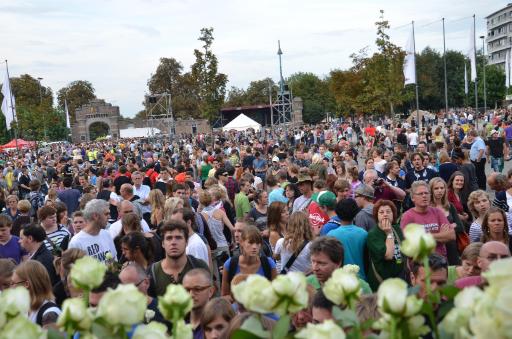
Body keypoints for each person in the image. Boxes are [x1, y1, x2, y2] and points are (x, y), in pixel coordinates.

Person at [148, 219, 209, 297]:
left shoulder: (199, 266)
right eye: (169, 238)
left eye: (178, 238)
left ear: (186, 242)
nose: (173, 242)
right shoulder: (152, 273)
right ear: (163, 243)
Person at [400, 181, 455, 258]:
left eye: (426, 193)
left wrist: (423, 236)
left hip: (440, 260)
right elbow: (411, 243)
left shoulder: (437, 212)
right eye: (420, 194)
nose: (424, 196)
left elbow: (451, 235)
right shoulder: (407, 216)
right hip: (420, 262)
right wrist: (441, 235)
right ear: (412, 198)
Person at [221, 226, 277, 298]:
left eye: (258, 243)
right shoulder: (230, 264)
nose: (254, 247)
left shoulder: (268, 263)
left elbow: (276, 293)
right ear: (241, 242)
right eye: (250, 242)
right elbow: (225, 295)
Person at [306, 236, 371, 293]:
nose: (315, 268)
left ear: (338, 263)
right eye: (313, 261)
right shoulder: (305, 285)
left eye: (322, 263)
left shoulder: (360, 287)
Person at [367, 200, 405, 291]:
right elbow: (388, 256)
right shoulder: (373, 234)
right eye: (381, 212)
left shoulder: (397, 228)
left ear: (393, 214)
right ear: (376, 216)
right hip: (382, 282)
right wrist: (388, 233)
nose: (385, 214)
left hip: (400, 278)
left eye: (388, 212)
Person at [326, 199, 368, 279]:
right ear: (356, 213)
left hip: (339, 280)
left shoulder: (331, 235)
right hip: (360, 279)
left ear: (337, 213)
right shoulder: (364, 234)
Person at [12, 260, 61, 327]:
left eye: (13, 283)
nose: (11, 288)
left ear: (26, 284)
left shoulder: (50, 313)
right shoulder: (25, 309)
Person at [429, 177, 464, 264]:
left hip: (452, 246)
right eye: (436, 188)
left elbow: (460, 227)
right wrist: (451, 226)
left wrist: (446, 229)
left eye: (442, 188)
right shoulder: (427, 208)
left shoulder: (450, 206)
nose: (439, 191)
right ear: (431, 190)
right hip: (435, 248)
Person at [182, 268, 215, 339]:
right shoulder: (180, 329)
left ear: (211, 291)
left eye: (197, 289)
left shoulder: (219, 326)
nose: (191, 295)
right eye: (187, 290)